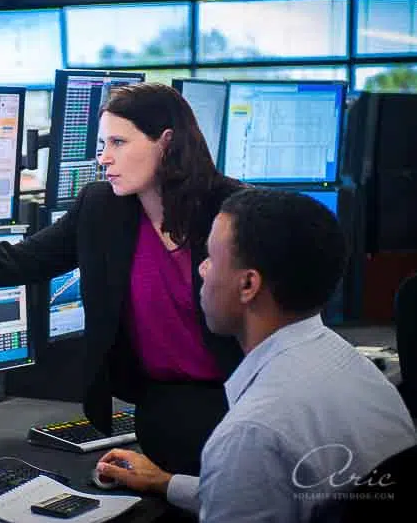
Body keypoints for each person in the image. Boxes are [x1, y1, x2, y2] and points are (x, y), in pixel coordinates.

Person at [0, 83, 245, 476]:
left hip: (239, 399)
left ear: (166, 142)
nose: (104, 158)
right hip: (163, 409)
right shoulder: (103, 207)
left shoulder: (232, 211)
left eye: (119, 143)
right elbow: (17, 262)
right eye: (101, 144)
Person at [94, 188, 417, 522]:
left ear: (248, 285)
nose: (202, 270)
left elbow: (255, 470)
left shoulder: (251, 434)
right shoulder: (361, 374)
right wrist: (166, 483)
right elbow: (282, 494)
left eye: (210, 258)